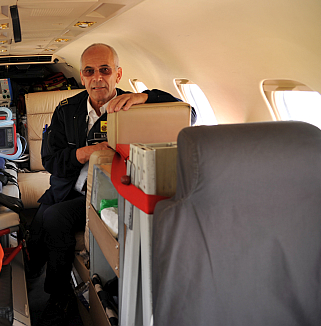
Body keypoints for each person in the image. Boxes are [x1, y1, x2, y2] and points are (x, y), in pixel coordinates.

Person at [26, 43, 196, 325]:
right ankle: (38, 276)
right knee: (39, 227)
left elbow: (188, 115)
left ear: (117, 74)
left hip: (113, 192)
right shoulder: (66, 111)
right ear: (82, 77)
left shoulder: (135, 103)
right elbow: (50, 161)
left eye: (105, 70)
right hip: (69, 189)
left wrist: (147, 97)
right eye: (90, 72)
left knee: (54, 218)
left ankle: (57, 296)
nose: (98, 78)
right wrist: (83, 153)